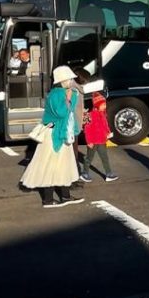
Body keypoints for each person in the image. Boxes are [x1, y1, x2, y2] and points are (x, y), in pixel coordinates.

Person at [20, 66, 84, 207]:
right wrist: (68, 98)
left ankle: (65, 197)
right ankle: (48, 200)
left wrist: (71, 97)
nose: (71, 81)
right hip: (52, 135)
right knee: (50, 165)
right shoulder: (55, 94)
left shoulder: (67, 92)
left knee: (64, 165)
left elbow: (70, 111)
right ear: (62, 80)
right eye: (69, 78)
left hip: (63, 134)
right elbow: (61, 113)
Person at [80, 81, 117, 182]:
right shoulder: (90, 115)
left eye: (104, 104)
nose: (104, 106)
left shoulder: (102, 114)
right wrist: (89, 141)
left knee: (105, 157)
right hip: (93, 141)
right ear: (97, 105)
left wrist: (107, 133)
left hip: (101, 140)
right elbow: (87, 129)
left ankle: (108, 173)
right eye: (102, 105)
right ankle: (85, 173)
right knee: (89, 158)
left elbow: (105, 126)